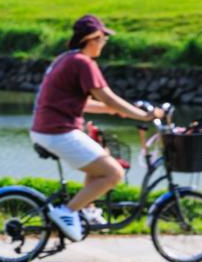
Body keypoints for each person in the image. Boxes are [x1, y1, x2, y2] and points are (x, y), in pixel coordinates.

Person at [30, 14, 163, 242]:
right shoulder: (83, 63)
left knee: (101, 161)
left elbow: (82, 102)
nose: (104, 44)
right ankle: (67, 212)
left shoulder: (67, 58)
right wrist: (144, 115)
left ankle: (86, 209)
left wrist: (111, 110)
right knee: (114, 173)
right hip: (58, 131)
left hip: (47, 129)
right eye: (103, 39)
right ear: (93, 38)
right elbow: (108, 97)